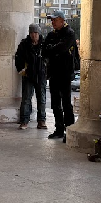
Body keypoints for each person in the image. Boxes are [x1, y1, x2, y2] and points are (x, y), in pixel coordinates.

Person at [43, 10, 78, 139]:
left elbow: (63, 48)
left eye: (55, 20)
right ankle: (59, 129)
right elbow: (44, 50)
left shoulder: (69, 33)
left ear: (62, 21)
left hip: (65, 73)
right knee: (55, 103)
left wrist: (52, 48)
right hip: (53, 73)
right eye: (52, 20)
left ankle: (69, 130)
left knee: (66, 103)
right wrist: (53, 49)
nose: (52, 22)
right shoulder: (51, 34)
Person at [15, 24, 47, 130]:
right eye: (32, 33)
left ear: (39, 33)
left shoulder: (44, 44)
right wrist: (22, 70)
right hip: (28, 75)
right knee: (26, 99)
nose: (34, 35)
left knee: (42, 99)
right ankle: (24, 121)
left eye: (36, 33)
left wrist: (46, 71)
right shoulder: (24, 44)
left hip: (41, 75)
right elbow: (18, 58)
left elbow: (49, 58)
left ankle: (41, 121)